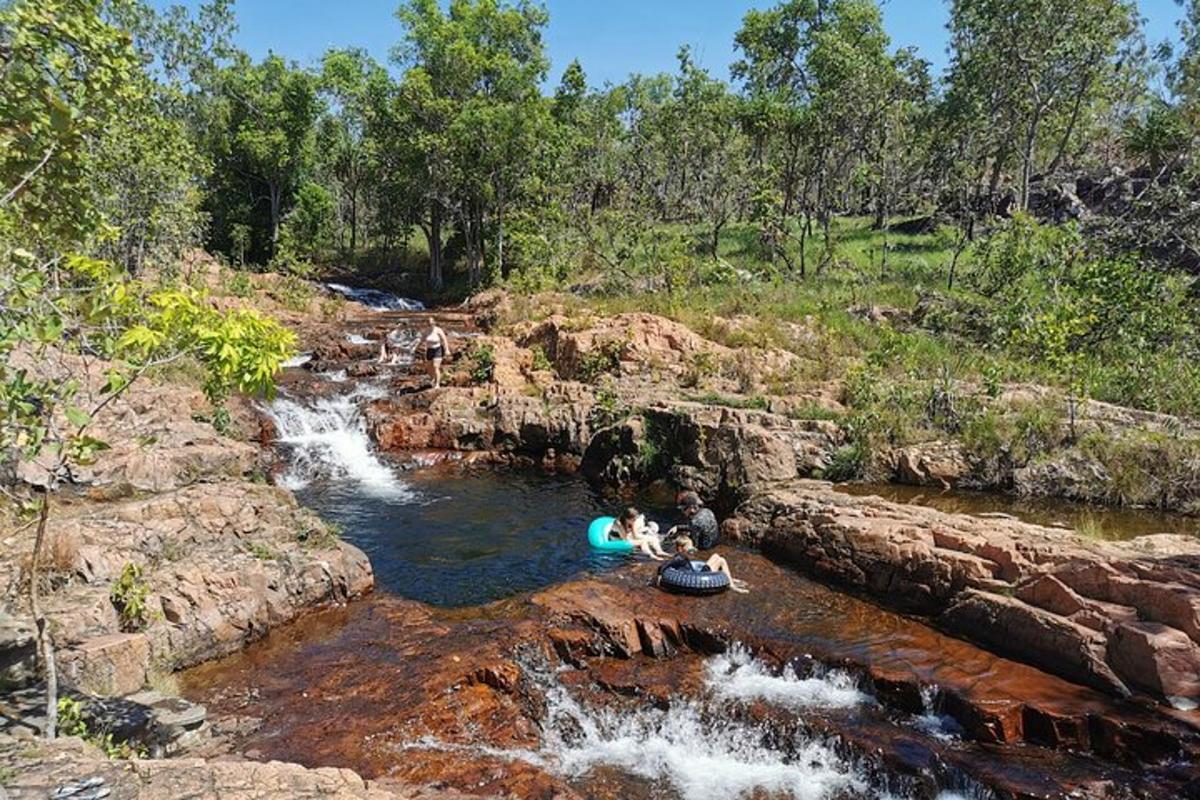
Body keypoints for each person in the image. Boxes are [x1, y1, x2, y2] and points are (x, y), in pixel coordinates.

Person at [655, 535, 748, 593]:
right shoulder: (679, 557)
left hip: (699, 571)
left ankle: (730, 579)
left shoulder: (681, 556)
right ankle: (732, 585)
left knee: (716, 555)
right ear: (680, 548)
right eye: (688, 546)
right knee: (721, 560)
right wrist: (660, 576)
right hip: (700, 574)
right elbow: (664, 565)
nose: (691, 548)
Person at [412, 316, 452, 388]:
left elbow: (444, 340)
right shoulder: (426, 331)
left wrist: (447, 350)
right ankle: (433, 378)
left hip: (438, 349)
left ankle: (437, 384)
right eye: (428, 322)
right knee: (429, 367)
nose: (430, 324)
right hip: (429, 350)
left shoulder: (438, 330)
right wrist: (415, 348)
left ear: (434, 322)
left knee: (435, 366)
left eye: (431, 322)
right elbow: (421, 340)